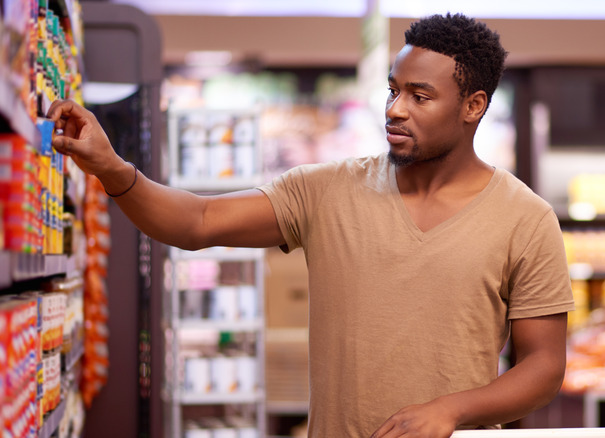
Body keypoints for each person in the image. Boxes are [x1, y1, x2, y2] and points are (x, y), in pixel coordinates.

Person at [48, 13, 574, 438]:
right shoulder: (324, 190)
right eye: (392, 90)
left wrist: (451, 411)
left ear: (474, 106)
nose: (395, 109)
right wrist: (111, 168)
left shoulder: (525, 219)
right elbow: (198, 221)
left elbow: (543, 367)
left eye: (420, 96)